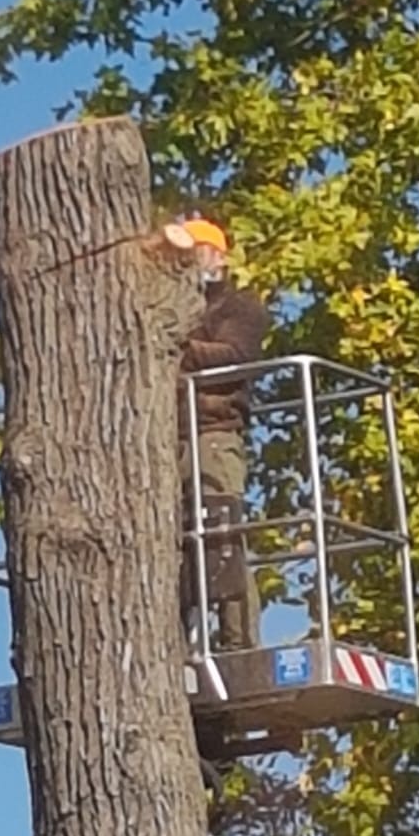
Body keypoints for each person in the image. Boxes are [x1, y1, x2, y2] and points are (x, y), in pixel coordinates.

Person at [177, 217, 269, 651]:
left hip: (215, 435)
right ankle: (172, 642)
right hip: (169, 439)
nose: (190, 262)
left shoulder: (239, 307)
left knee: (222, 536)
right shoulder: (175, 306)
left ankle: (239, 642)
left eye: (197, 252)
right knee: (174, 543)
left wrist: (178, 350)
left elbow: (234, 355)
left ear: (218, 256)